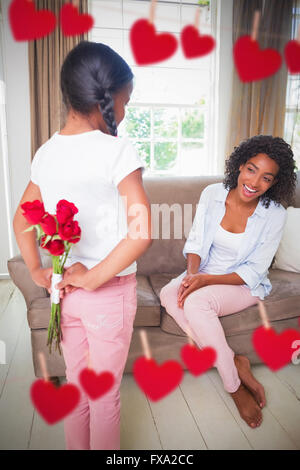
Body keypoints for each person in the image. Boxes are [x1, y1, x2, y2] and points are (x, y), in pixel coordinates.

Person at [13, 41, 152, 450]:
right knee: (103, 394)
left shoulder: (46, 152)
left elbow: (22, 219)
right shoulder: (117, 150)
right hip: (104, 293)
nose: (124, 113)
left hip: (63, 290)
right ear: (106, 100)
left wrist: (40, 271)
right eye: (125, 102)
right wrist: (93, 278)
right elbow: (141, 232)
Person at [160, 135, 297, 429]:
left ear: (275, 183)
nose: (254, 181)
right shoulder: (212, 194)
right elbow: (196, 242)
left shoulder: (275, 215)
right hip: (206, 271)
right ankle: (234, 360)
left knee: (195, 302)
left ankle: (234, 387)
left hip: (244, 283)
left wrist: (204, 282)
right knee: (168, 293)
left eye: (266, 177)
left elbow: (255, 269)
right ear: (239, 166)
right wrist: (193, 276)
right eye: (251, 169)